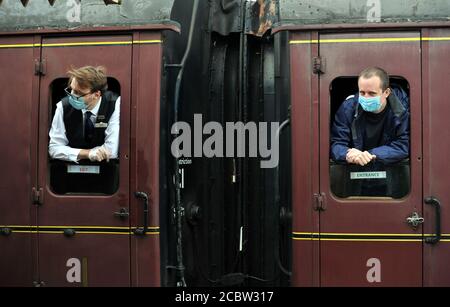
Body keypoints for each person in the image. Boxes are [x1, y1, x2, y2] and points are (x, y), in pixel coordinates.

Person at [330, 67, 409, 166]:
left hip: (391, 171)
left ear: (386, 93)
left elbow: (403, 145)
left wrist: (370, 155)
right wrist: (348, 155)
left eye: (372, 93)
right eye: (362, 93)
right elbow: (337, 144)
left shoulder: (400, 109)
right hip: (353, 171)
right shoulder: (348, 109)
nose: (366, 97)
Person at [49, 66, 120, 162]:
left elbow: (111, 151)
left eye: (78, 93)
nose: (72, 95)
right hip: (67, 171)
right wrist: (88, 153)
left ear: (96, 95)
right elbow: (54, 148)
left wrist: (73, 152)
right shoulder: (63, 106)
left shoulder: (114, 103)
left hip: (108, 171)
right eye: (71, 89)